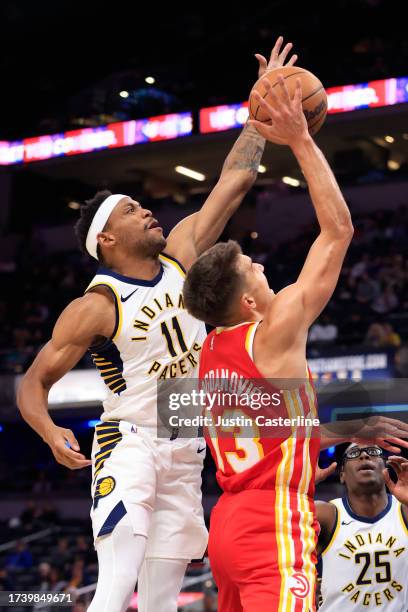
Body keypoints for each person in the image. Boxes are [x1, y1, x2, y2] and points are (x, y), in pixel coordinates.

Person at [16, 37, 298, 612]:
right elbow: (32, 382)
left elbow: (235, 182)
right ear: (107, 240)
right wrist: (49, 433)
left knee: (165, 597)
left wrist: (256, 117)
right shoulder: (97, 303)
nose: (146, 209)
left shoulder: (183, 252)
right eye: (129, 209)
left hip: (187, 447)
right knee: (118, 583)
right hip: (129, 444)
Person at [183, 75, 408, 610]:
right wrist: (299, 138)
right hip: (272, 524)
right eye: (252, 268)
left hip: (230, 523)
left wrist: (329, 437)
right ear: (248, 304)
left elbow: (272, 427)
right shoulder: (274, 330)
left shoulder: (213, 348)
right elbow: (338, 232)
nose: (262, 266)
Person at [316, 444, 408, 610]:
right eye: (353, 453)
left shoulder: (404, 510)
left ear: (386, 467)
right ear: (342, 474)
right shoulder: (327, 514)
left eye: (373, 452)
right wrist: (298, 490)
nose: (364, 455)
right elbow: (271, 528)